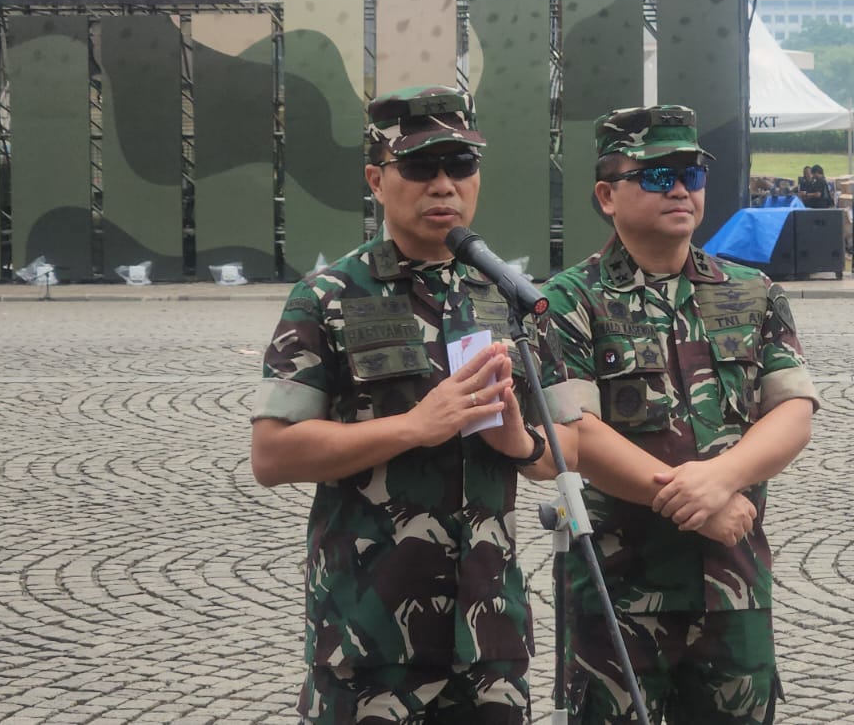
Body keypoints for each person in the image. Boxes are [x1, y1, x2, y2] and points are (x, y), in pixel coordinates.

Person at [250, 85, 575, 725]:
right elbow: (273, 454)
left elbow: (561, 449)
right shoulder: (327, 296)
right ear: (377, 179)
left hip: (489, 638)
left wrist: (520, 443)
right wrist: (414, 426)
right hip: (370, 636)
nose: (444, 185)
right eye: (422, 167)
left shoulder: (507, 295)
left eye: (461, 166)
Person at [539, 105, 821, 724]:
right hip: (618, 590)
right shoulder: (567, 301)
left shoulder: (751, 292)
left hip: (734, 583)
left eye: (691, 174)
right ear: (607, 194)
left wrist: (720, 480)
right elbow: (577, 434)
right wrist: (701, 503)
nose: (681, 190)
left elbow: (793, 411)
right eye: (658, 176)